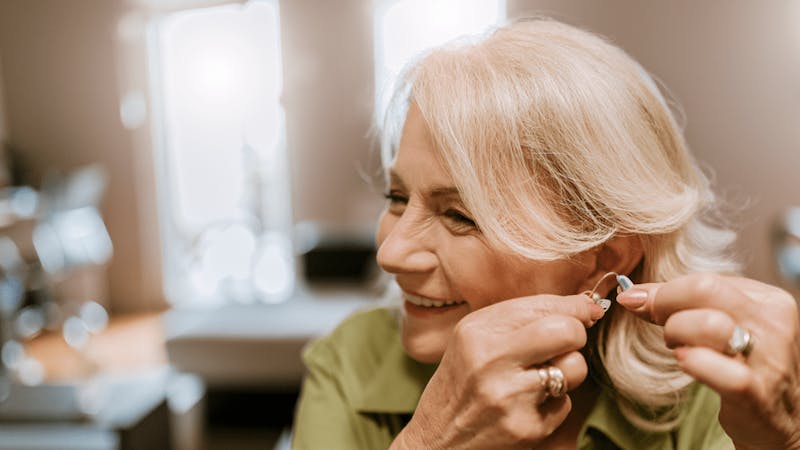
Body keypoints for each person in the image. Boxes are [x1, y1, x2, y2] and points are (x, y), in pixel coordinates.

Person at [292, 17, 800, 450]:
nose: (393, 252)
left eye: (461, 216)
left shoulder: (709, 394)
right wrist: (430, 439)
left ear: (606, 260)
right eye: (397, 199)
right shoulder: (349, 362)